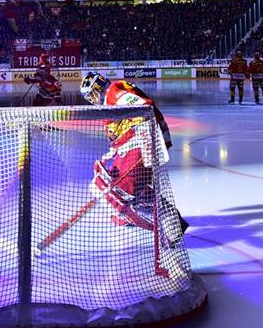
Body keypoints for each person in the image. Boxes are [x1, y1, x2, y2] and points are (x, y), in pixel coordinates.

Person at [80, 72, 187, 239]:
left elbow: (144, 108)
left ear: (96, 89)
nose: (92, 100)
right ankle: (172, 220)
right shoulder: (110, 99)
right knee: (121, 183)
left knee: (113, 190)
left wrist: (142, 140)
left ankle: (168, 224)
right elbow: (122, 130)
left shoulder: (113, 91)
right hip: (134, 146)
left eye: (91, 96)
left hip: (140, 145)